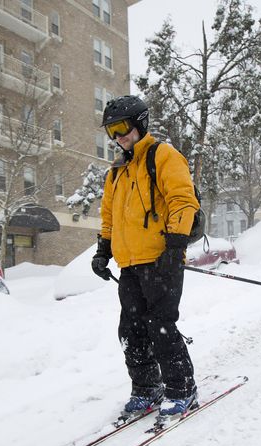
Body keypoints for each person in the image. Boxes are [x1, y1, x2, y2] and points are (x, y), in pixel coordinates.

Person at [90, 95, 200, 423]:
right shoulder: (117, 170)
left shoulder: (162, 155)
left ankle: (182, 389)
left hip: (160, 260)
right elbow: (108, 215)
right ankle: (147, 387)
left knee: (161, 325)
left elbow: (183, 200)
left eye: (122, 127)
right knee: (131, 328)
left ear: (140, 123)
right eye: (112, 131)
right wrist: (102, 251)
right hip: (130, 265)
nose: (118, 137)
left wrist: (174, 246)